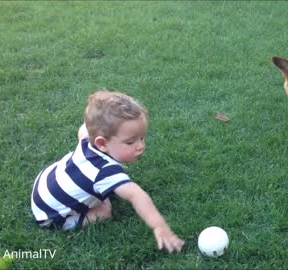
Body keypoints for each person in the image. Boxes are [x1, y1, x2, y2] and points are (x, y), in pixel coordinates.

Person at [31, 90, 184, 253]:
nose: (140, 146)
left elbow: (84, 128)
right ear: (102, 143)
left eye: (142, 138)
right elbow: (137, 195)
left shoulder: (87, 138)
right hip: (50, 215)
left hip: (44, 183)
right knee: (104, 210)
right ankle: (73, 218)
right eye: (130, 142)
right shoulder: (106, 172)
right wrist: (159, 226)